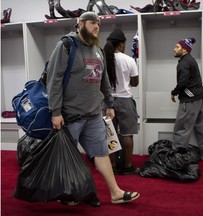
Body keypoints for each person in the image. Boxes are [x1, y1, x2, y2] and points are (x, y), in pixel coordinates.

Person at [46, 11, 140, 207]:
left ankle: (115, 193)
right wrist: (55, 112)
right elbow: (53, 81)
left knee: (102, 153)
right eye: (92, 23)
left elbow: (104, 81)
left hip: (93, 115)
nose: (96, 26)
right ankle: (67, 193)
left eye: (98, 23)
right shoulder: (65, 46)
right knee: (68, 157)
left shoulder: (97, 50)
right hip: (70, 116)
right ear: (79, 24)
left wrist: (109, 104)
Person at [171, 37, 203, 163]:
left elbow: (183, 82)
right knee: (200, 127)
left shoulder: (184, 62)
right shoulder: (191, 60)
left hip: (190, 99)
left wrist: (174, 92)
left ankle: (177, 156)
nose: (174, 49)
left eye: (177, 47)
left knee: (182, 127)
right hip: (201, 97)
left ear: (184, 49)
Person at [103, 28, 140, 175]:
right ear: (121, 44)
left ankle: (112, 165)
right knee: (127, 135)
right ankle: (128, 166)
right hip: (125, 100)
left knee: (109, 134)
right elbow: (135, 82)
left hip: (107, 101)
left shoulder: (103, 59)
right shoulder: (129, 60)